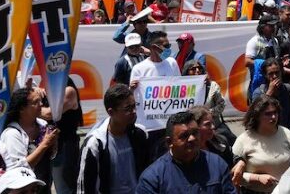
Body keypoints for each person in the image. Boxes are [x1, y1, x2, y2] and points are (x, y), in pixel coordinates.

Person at [135, 111, 235, 193]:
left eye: (195, 133)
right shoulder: (153, 178)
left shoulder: (217, 164)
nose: (192, 138)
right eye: (184, 136)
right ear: (169, 142)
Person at [78, 84, 150, 193]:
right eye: (128, 109)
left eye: (134, 106)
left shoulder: (140, 134)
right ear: (111, 112)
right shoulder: (95, 144)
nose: (134, 111)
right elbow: (85, 187)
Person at [129, 31, 181, 160]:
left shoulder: (172, 63)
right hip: (150, 125)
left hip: (169, 122)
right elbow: (133, 98)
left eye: (169, 45)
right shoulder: (139, 69)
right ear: (154, 47)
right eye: (166, 46)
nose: (169, 49)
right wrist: (131, 89)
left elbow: (180, 88)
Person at [0, 88, 57, 193]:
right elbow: (21, 168)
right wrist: (44, 144)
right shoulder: (12, 133)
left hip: (42, 185)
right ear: (22, 108)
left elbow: (50, 156)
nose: (41, 105)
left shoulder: (43, 125)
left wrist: (53, 145)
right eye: (35, 102)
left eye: (41, 101)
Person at [231, 96, 290, 194]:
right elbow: (231, 175)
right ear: (257, 116)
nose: (273, 117)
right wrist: (257, 178)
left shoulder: (287, 134)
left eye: (275, 112)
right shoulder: (243, 140)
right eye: (268, 114)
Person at [251, 58, 290, 133]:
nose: (274, 76)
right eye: (270, 73)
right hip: (266, 134)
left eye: (277, 73)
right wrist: (269, 93)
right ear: (265, 75)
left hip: (287, 133)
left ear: (282, 73)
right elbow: (255, 116)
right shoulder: (258, 93)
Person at [53, 78, 84, 194]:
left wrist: (32, 109)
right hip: (53, 146)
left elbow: (51, 113)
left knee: (66, 187)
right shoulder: (49, 90)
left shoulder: (69, 90)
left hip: (66, 145)